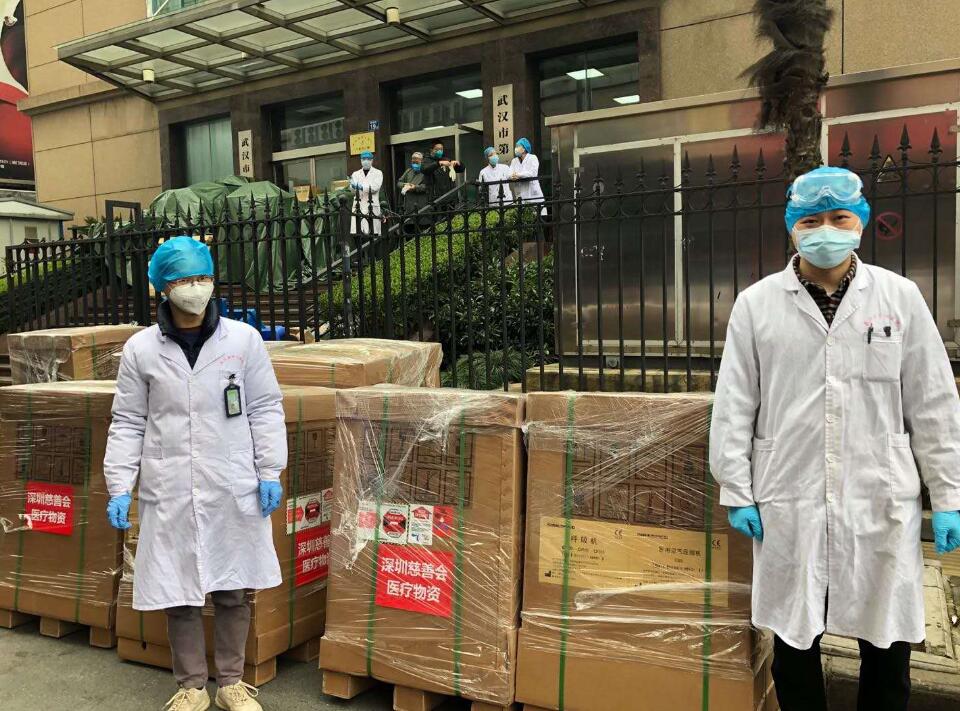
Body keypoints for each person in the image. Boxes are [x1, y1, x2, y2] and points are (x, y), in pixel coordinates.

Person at [709, 166, 960, 711]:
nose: (826, 230)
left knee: (887, 643)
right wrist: (736, 488)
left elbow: (933, 403)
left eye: (839, 218)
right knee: (794, 642)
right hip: (789, 496)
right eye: (811, 220)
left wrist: (948, 497)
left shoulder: (900, 297)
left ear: (861, 222)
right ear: (791, 227)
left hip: (879, 496)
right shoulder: (756, 304)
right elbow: (734, 403)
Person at [104, 236, 287, 711]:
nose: (196, 287)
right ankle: (191, 686)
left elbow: (265, 407)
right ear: (163, 287)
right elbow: (128, 420)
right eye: (185, 279)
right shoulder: (141, 349)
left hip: (231, 482)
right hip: (170, 486)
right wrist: (120, 485)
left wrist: (269, 469)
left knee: (233, 587)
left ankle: (231, 683)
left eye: (202, 277)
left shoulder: (242, 340)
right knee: (178, 590)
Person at [349, 150, 384, 237]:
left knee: (373, 234)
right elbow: (353, 191)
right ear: (361, 160)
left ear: (372, 160)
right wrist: (352, 186)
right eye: (364, 159)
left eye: (368, 159)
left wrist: (361, 187)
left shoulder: (378, 173)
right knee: (358, 234)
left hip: (372, 206)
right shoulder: (355, 174)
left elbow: (375, 188)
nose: (366, 161)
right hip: (359, 206)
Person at [421, 140, 465, 204]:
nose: (440, 151)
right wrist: (438, 163)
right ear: (431, 150)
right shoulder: (426, 160)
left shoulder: (446, 159)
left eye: (441, 149)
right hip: (435, 199)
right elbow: (424, 169)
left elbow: (461, 169)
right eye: (437, 149)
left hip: (449, 198)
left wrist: (458, 164)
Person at [397, 152, 428, 232]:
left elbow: (427, 187)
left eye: (417, 162)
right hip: (409, 207)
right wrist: (405, 185)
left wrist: (415, 187)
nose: (414, 164)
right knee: (409, 231)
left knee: (422, 232)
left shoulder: (426, 172)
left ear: (422, 161)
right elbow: (399, 182)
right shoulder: (408, 171)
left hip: (422, 206)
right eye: (413, 162)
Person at [509, 137, 544, 204]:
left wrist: (518, 175)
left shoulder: (533, 158)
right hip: (520, 194)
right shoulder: (514, 161)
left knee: (536, 209)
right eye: (516, 146)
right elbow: (509, 173)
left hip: (533, 194)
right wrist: (512, 176)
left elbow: (533, 173)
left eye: (518, 146)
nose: (516, 148)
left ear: (524, 149)